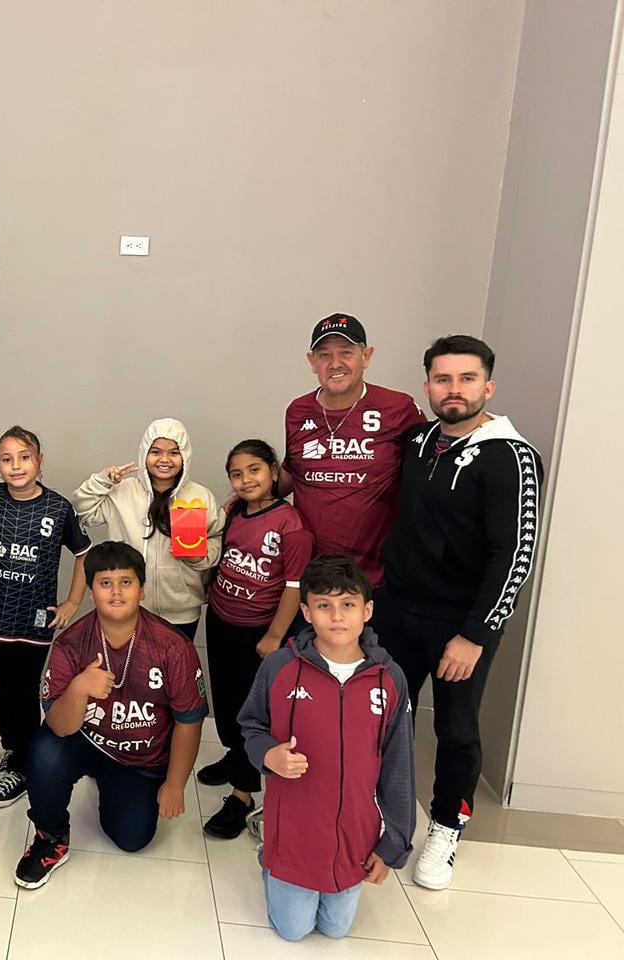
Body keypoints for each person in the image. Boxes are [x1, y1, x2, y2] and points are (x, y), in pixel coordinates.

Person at [378, 335, 543, 890]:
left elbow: (515, 555)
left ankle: (446, 827)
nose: (453, 390)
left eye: (466, 379)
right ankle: (381, 814)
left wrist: (475, 634)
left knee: (455, 729)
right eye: (442, 379)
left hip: (463, 625)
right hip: (398, 610)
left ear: (487, 386)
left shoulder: (512, 456)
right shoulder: (421, 440)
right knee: (384, 715)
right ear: (426, 385)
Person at [239, 555, 414, 941]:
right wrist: (269, 755)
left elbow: (400, 766)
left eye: (348, 605)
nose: (337, 616)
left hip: (354, 835)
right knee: (293, 930)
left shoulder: (390, 679)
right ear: (306, 611)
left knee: (335, 930)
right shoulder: (280, 667)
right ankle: (270, 860)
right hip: (296, 832)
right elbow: (250, 724)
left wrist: (394, 844)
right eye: (323, 605)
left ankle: (326, 880)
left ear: (367, 610)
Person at [14, 542, 207, 890]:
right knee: (42, 752)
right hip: (85, 739)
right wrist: (80, 687)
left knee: (133, 839)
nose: (116, 591)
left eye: (126, 582)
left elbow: (189, 720)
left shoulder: (173, 646)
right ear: (90, 592)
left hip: (140, 756)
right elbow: (59, 725)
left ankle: (113, 784)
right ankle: (52, 838)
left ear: (142, 589)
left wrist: (175, 784)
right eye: (105, 583)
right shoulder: (71, 642)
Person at [199, 440, 313, 839]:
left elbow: (295, 586)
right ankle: (234, 755)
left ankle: (244, 792)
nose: (245, 479)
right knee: (226, 699)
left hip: (258, 633)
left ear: (273, 471)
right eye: (236, 473)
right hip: (221, 620)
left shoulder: (290, 524)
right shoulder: (233, 513)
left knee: (252, 711)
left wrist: (275, 635)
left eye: (254, 470)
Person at [0, 426, 91, 809]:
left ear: (40, 462)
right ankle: (15, 750)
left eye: (24, 457)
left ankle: (25, 766)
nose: (16, 466)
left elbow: (83, 553)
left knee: (24, 688)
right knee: (5, 688)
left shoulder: (58, 508)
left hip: (35, 619)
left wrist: (73, 601)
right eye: (7, 459)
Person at [282, 313, 424, 586]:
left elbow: (432, 468)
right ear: (312, 362)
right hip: (312, 576)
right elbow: (292, 471)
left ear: (366, 356)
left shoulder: (398, 408)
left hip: (376, 578)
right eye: (324, 355)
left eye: (346, 352)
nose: (335, 364)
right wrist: (245, 498)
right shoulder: (297, 411)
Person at [73, 417, 225, 639]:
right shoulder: (122, 491)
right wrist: (102, 481)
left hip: (181, 611)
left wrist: (197, 557)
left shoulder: (200, 496)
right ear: (144, 453)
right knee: (128, 670)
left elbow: (217, 539)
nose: (164, 459)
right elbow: (84, 512)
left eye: (174, 452)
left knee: (175, 670)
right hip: (128, 606)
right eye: (156, 452)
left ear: (185, 456)